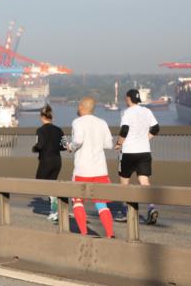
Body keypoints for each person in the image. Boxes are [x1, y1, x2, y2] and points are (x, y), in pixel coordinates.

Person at [67, 96, 115, 238]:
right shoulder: (102, 122)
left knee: (77, 200)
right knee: (101, 204)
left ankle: (83, 232)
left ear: (82, 107)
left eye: (78, 106)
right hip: (100, 169)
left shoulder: (77, 122)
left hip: (83, 168)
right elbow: (108, 145)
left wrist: (70, 146)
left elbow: (78, 140)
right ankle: (110, 234)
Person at [116, 88, 161, 225]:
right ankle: (151, 207)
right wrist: (145, 139)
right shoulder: (147, 111)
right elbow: (156, 128)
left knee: (124, 182)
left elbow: (124, 129)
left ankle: (126, 211)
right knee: (144, 181)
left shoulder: (127, 112)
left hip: (129, 152)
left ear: (128, 98)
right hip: (144, 152)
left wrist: (119, 143)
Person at [32, 104, 65, 222]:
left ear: (42, 117)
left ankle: (55, 209)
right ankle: (54, 211)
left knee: (40, 183)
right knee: (52, 185)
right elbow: (64, 146)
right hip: (57, 160)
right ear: (51, 117)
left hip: (46, 160)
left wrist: (34, 148)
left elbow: (39, 145)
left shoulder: (40, 130)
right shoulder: (59, 130)